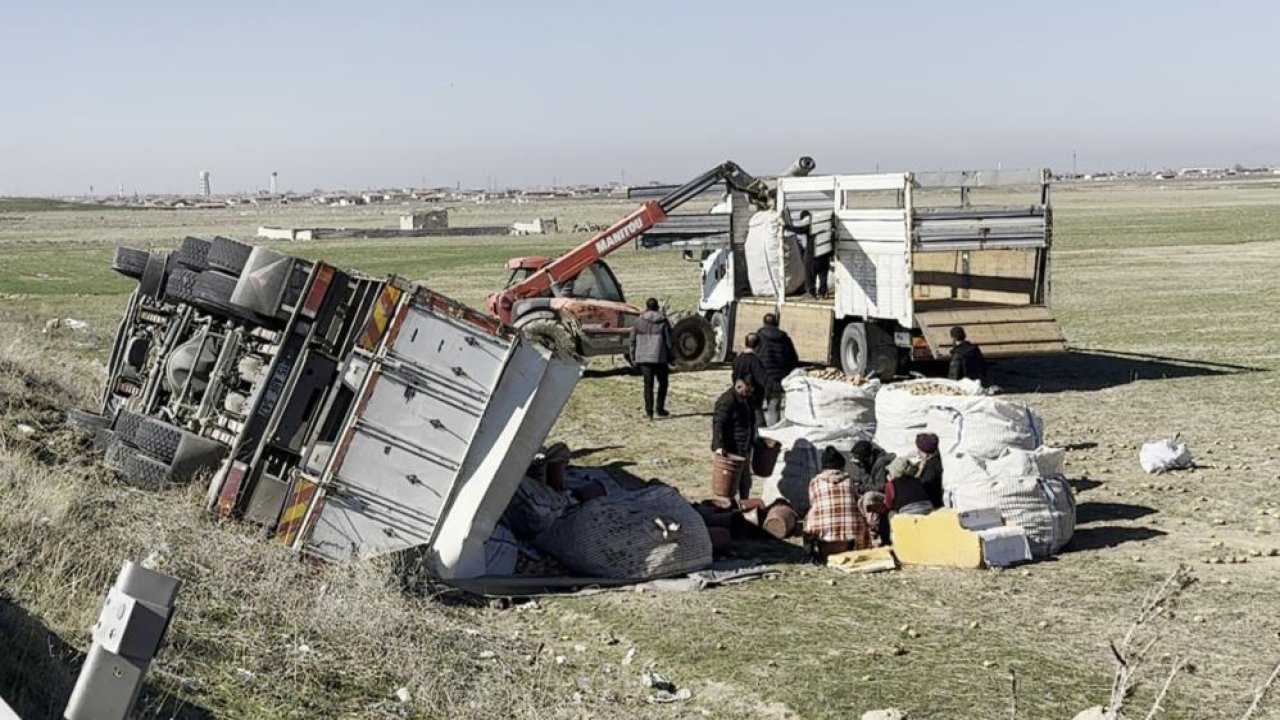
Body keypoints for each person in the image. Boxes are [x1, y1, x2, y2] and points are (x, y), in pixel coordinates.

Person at [804, 446, 871, 559]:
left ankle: (809, 555)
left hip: (824, 532)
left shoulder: (815, 482)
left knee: (807, 520)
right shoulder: (849, 480)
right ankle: (858, 549)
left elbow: (813, 503)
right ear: (841, 466)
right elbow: (857, 500)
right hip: (851, 532)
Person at [712, 378, 758, 500]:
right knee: (729, 484)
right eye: (747, 391)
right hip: (732, 449)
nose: (750, 393)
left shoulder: (747, 399)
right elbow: (718, 424)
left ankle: (743, 504)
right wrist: (719, 446)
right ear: (738, 387)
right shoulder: (727, 401)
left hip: (744, 447)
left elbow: (751, 421)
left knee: (745, 483)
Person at [630, 298, 673, 420]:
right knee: (663, 384)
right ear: (657, 307)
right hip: (660, 358)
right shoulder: (663, 321)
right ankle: (660, 408)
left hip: (643, 358)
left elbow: (632, 341)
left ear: (647, 307)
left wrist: (633, 358)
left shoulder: (638, 322)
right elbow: (669, 342)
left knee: (648, 386)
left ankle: (649, 413)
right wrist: (671, 357)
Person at [755, 313, 800, 426]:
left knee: (756, 406)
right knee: (774, 408)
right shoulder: (785, 339)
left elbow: (753, 357)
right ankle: (773, 433)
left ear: (764, 323)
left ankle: (759, 430)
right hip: (778, 379)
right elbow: (793, 359)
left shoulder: (758, 338)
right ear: (777, 323)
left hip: (761, 378)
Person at [731, 332, 768, 424]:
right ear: (758, 346)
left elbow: (734, 376)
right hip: (754, 398)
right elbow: (761, 379)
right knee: (759, 424)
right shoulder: (755, 361)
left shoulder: (738, 359)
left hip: (739, 395)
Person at [914, 432, 944, 508]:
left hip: (931, 506)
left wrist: (919, 472)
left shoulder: (932, 467)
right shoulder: (934, 460)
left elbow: (923, 486)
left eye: (920, 451)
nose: (918, 453)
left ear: (926, 453)